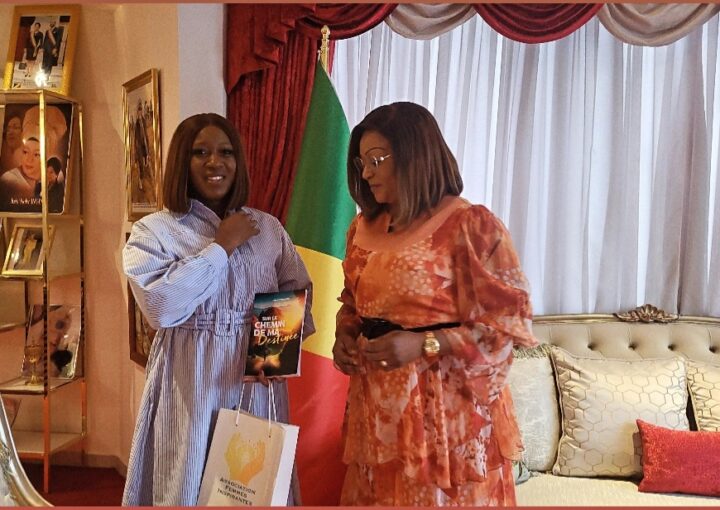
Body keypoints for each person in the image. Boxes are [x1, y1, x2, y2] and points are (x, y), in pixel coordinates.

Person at [332, 102, 536, 506]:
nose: (366, 173)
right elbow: (354, 302)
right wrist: (345, 335)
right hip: (376, 412)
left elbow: (508, 323)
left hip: (443, 420)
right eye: (362, 163)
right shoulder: (361, 227)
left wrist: (425, 344)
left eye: (377, 160)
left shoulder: (471, 226)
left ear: (415, 154)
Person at [122, 113, 314, 506]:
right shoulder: (154, 231)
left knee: (252, 484)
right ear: (182, 160)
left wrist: (272, 354)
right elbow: (160, 306)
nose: (215, 162)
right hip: (191, 377)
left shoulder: (266, 228)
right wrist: (221, 247)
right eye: (201, 152)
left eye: (226, 152)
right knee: (188, 478)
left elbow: (296, 287)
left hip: (253, 378)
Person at [0, 136, 41, 211]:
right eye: (25, 152)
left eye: (36, 154)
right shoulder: (9, 179)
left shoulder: (42, 181)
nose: (29, 159)